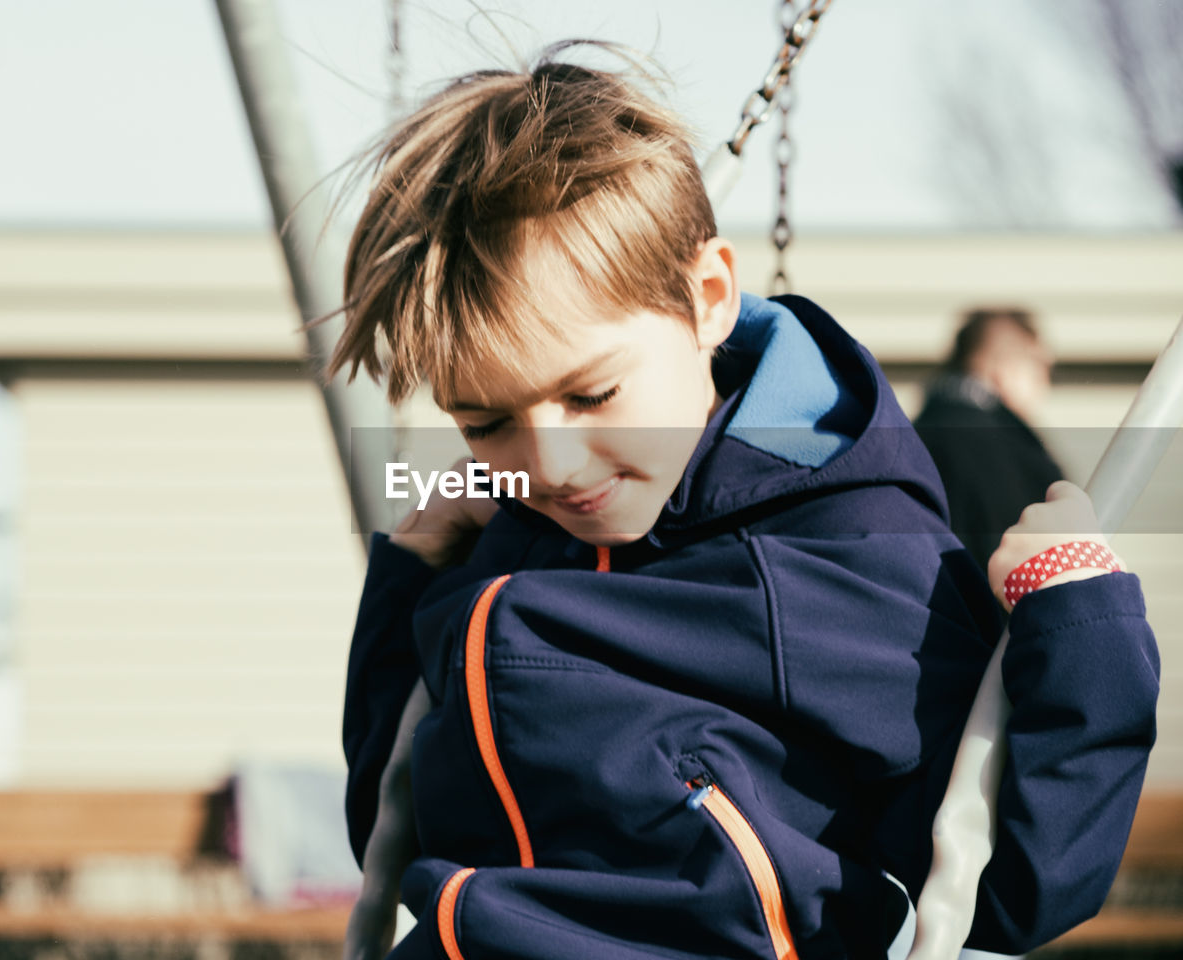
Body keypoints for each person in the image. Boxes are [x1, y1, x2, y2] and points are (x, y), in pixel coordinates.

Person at [325, 47, 1158, 960]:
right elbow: (395, 825)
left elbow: (1006, 887)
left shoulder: (834, 558)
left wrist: (1084, 623)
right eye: (486, 424)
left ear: (709, 298)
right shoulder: (512, 545)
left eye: (592, 396)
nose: (549, 462)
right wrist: (409, 583)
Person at [914, 309, 1065, 575]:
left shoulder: (913, 436)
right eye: (1040, 366)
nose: (1046, 383)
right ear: (1004, 369)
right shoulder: (1005, 452)